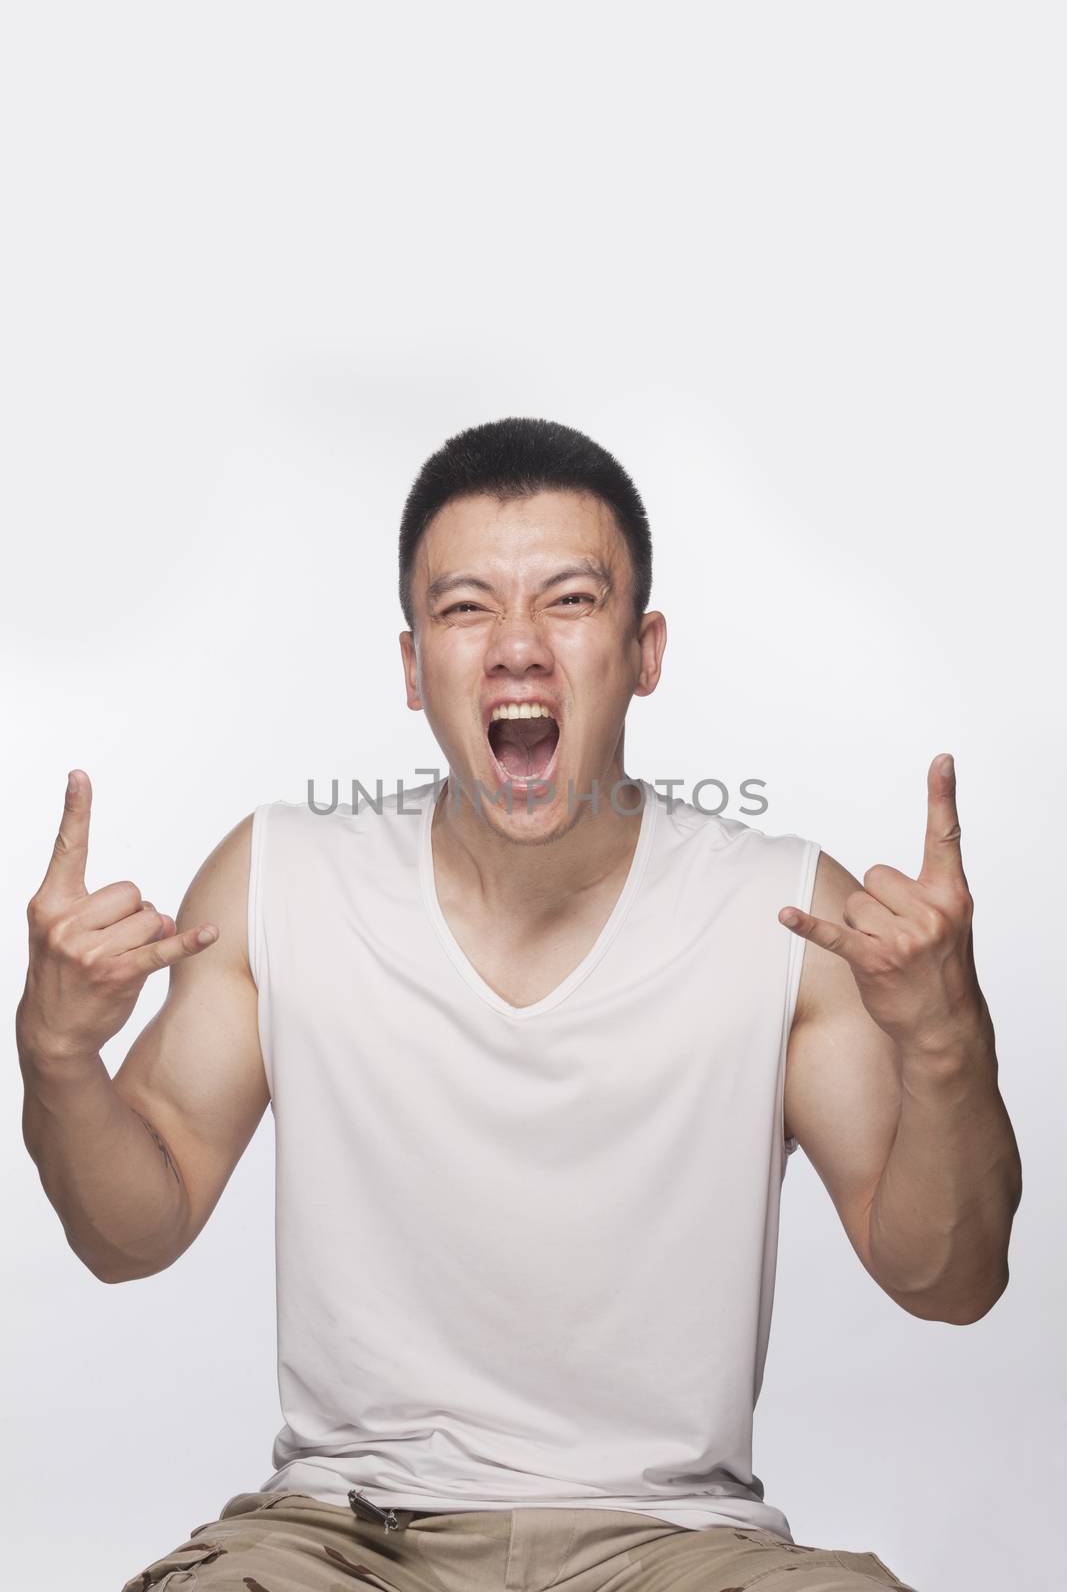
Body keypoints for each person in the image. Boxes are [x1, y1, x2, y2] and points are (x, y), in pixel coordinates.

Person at [18, 417, 1021, 1592]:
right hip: (344, 1539)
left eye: (568, 601)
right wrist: (57, 1057)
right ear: (410, 668)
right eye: (463, 610)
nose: (515, 649)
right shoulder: (279, 882)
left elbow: (950, 1283)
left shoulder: (788, 915)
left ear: (644, 650)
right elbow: (127, 1234)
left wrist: (945, 1046)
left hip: (674, 1550)